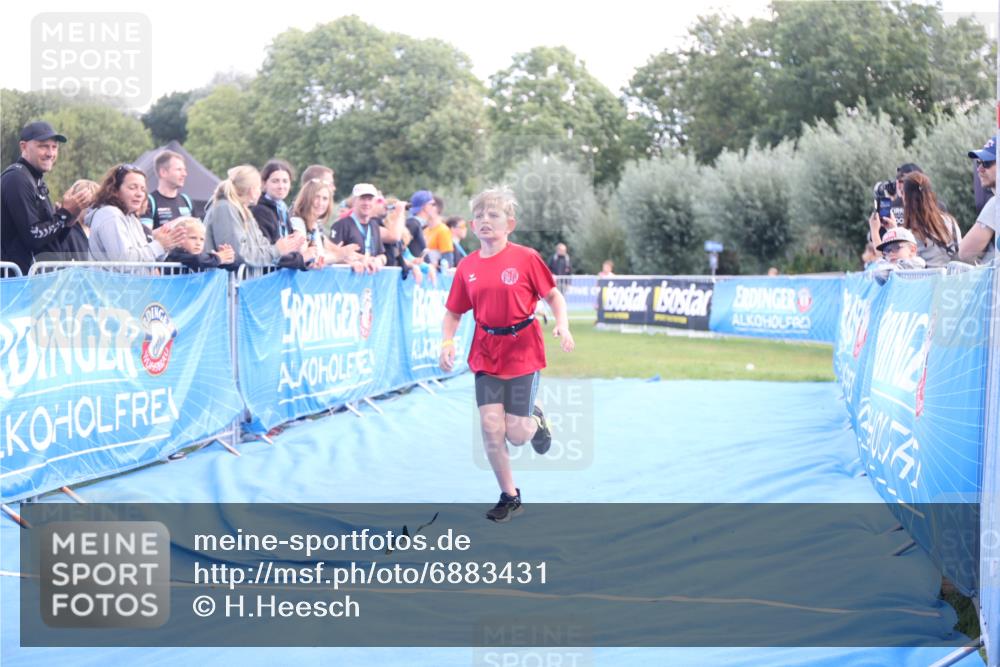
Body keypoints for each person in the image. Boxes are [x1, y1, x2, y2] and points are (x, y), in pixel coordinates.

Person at [439, 187, 575, 523]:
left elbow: (554, 297)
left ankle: (536, 419)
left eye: (494, 215)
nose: (486, 220)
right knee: (490, 427)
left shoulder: (526, 258)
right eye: (480, 216)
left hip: (523, 350)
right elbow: (453, 312)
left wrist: (562, 325)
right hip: (486, 351)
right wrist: (447, 342)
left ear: (509, 224)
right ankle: (510, 497)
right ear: (473, 226)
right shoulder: (467, 266)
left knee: (516, 435)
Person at [1, 121, 93, 273]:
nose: (50, 153)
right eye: (43, 146)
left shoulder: (36, 180)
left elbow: (50, 241)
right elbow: (34, 237)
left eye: (54, 147)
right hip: (18, 280)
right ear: (24, 147)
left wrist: (69, 220)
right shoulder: (17, 178)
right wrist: (64, 214)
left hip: (37, 278)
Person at [205, 165, 312, 268]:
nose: (260, 192)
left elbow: (263, 245)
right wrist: (277, 250)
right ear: (252, 190)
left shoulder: (244, 211)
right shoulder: (225, 208)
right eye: (259, 188)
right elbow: (237, 255)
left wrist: (289, 251)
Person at [89, 164, 187, 262]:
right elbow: (123, 261)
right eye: (132, 187)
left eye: (143, 189)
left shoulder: (132, 218)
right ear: (115, 190)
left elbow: (146, 259)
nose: (139, 194)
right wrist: (159, 245)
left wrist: (165, 244)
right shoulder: (110, 214)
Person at [868, 172, 961, 269]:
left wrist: (874, 231)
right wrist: (895, 230)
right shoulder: (951, 222)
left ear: (906, 197)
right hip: (952, 276)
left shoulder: (912, 232)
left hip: (925, 278)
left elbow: (888, 260)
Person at [290, 179, 361, 265]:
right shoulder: (298, 222)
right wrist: (338, 255)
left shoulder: (315, 225)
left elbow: (321, 256)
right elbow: (306, 258)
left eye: (325, 198)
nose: (320, 203)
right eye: (316, 197)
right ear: (307, 198)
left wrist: (350, 259)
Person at [330, 183, 388, 273]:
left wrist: (379, 261)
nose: (366, 203)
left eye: (370, 199)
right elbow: (332, 255)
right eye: (362, 199)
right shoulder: (341, 225)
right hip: (346, 279)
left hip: (370, 278)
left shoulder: (374, 225)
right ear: (354, 201)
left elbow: (381, 254)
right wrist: (353, 262)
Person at [959, 135, 997, 265]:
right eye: (979, 163)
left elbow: (965, 252)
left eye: (986, 163)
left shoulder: (996, 203)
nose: (979, 169)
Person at [142, 149, 196, 230]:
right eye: (179, 169)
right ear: (163, 172)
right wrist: (178, 222)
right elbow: (145, 234)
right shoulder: (149, 201)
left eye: (184, 170)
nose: (184, 174)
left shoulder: (186, 200)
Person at [165, 217, 238, 270]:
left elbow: (210, 262)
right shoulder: (176, 255)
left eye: (202, 239)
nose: (198, 243)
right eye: (193, 238)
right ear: (178, 240)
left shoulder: (204, 258)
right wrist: (218, 258)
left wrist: (228, 259)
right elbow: (197, 260)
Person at [251, 159, 295, 243]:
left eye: (285, 181)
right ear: (264, 183)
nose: (281, 186)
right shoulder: (259, 210)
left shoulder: (282, 208)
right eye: (275, 181)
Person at [405, 190, 432, 258]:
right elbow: (402, 248)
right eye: (432, 204)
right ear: (424, 206)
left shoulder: (419, 224)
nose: (434, 207)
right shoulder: (412, 224)